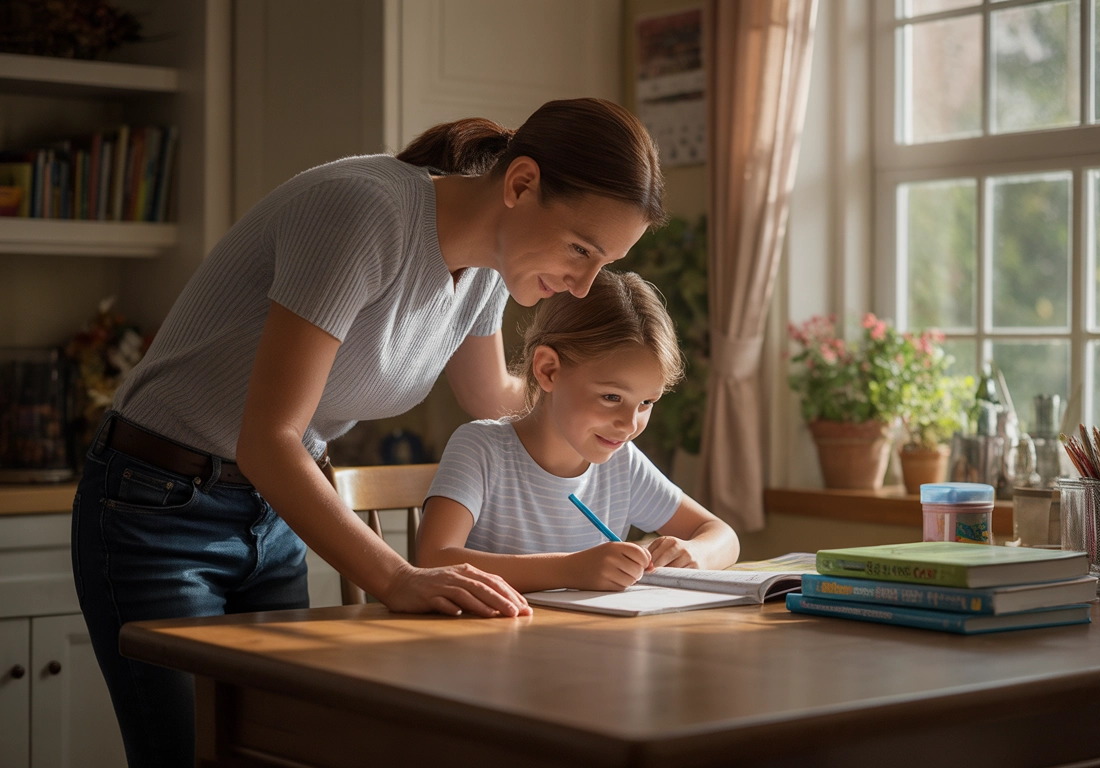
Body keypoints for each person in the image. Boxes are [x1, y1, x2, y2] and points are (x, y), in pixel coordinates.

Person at [72, 97, 665, 768]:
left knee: (271, 751)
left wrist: (608, 402)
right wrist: (398, 577)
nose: (584, 286)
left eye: (604, 262)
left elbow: (493, 398)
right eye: (581, 249)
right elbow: (268, 440)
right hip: (156, 503)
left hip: (273, 512)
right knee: (187, 755)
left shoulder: (490, 269)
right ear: (521, 183)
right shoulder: (365, 213)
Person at [416, 270, 740, 591]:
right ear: (548, 370)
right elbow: (432, 559)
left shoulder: (622, 464)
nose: (629, 425)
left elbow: (722, 534)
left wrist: (695, 553)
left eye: (646, 402)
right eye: (611, 397)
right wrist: (570, 570)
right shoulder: (480, 449)